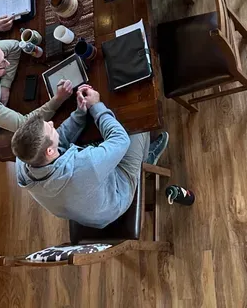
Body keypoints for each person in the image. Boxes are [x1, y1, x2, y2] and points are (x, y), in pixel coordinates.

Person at [12, 85, 168, 228]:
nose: (52, 124)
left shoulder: (24, 159)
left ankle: (139, 159)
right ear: (49, 152)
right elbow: (120, 139)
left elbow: (59, 141)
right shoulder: (84, 165)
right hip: (116, 198)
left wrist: (79, 114)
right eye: (50, 128)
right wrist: (95, 106)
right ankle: (144, 161)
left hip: (85, 208)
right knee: (140, 123)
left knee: (100, 140)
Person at [0, 40, 73, 139]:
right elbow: (25, 125)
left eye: (4, 57)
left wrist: (5, 85)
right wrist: (58, 99)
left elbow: (15, 46)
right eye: (2, 64)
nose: (8, 63)